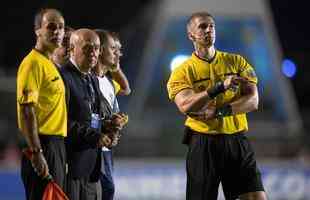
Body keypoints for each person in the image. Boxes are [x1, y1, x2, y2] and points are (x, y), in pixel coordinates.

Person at [166, 11, 268, 200]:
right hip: (203, 143)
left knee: (256, 197)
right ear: (191, 35)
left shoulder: (237, 61)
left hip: (236, 140)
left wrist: (220, 111)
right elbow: (185, 105)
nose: (209, 30)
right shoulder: (182, 71)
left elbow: (253, 101)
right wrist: (219, 87)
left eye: (212, 26)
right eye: (202, 26)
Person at [16, 8, 67, 200]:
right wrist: (36, 153)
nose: (57, 32)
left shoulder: (50, 64)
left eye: (61, 27)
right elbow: (27, 110)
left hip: (56, 146)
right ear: (38, 30)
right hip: (42, 145)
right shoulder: (32, 63)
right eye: (51, 27)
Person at [60, 28, 112, 200]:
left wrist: (108, 129)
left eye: (96, 48)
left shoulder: (92, 78)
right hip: (71, 168)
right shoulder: (63, 77)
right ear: (72, 48)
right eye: (87, 48)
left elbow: (92, 117)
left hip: (92, 169)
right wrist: (94, 136)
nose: (93, 53)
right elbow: (61, 121)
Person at [93, 29, 130, 200]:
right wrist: (106, 125)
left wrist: (116, 123)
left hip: (106, 149)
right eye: (114, 48)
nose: (118, 53)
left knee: (108, 191)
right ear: (100, 49)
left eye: (119, 49)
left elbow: (126, 89)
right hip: (92, 148)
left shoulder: (107, 81)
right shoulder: (87, 79)